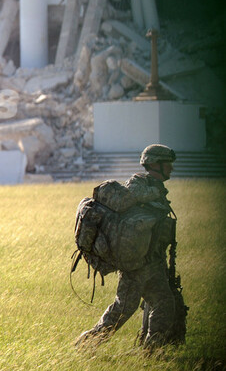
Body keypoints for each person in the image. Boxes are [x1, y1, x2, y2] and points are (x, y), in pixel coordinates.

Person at [75, 144, 178, 351]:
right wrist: (154, 193)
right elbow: (132, 197)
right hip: (135, 266)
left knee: (165, 304)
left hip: (153, 263)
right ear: (154, 164)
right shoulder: (139, 183)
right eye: (167, 164)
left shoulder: (156, 190)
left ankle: (152, 352)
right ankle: (86, 345)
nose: (171, 169)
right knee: (122, 311)